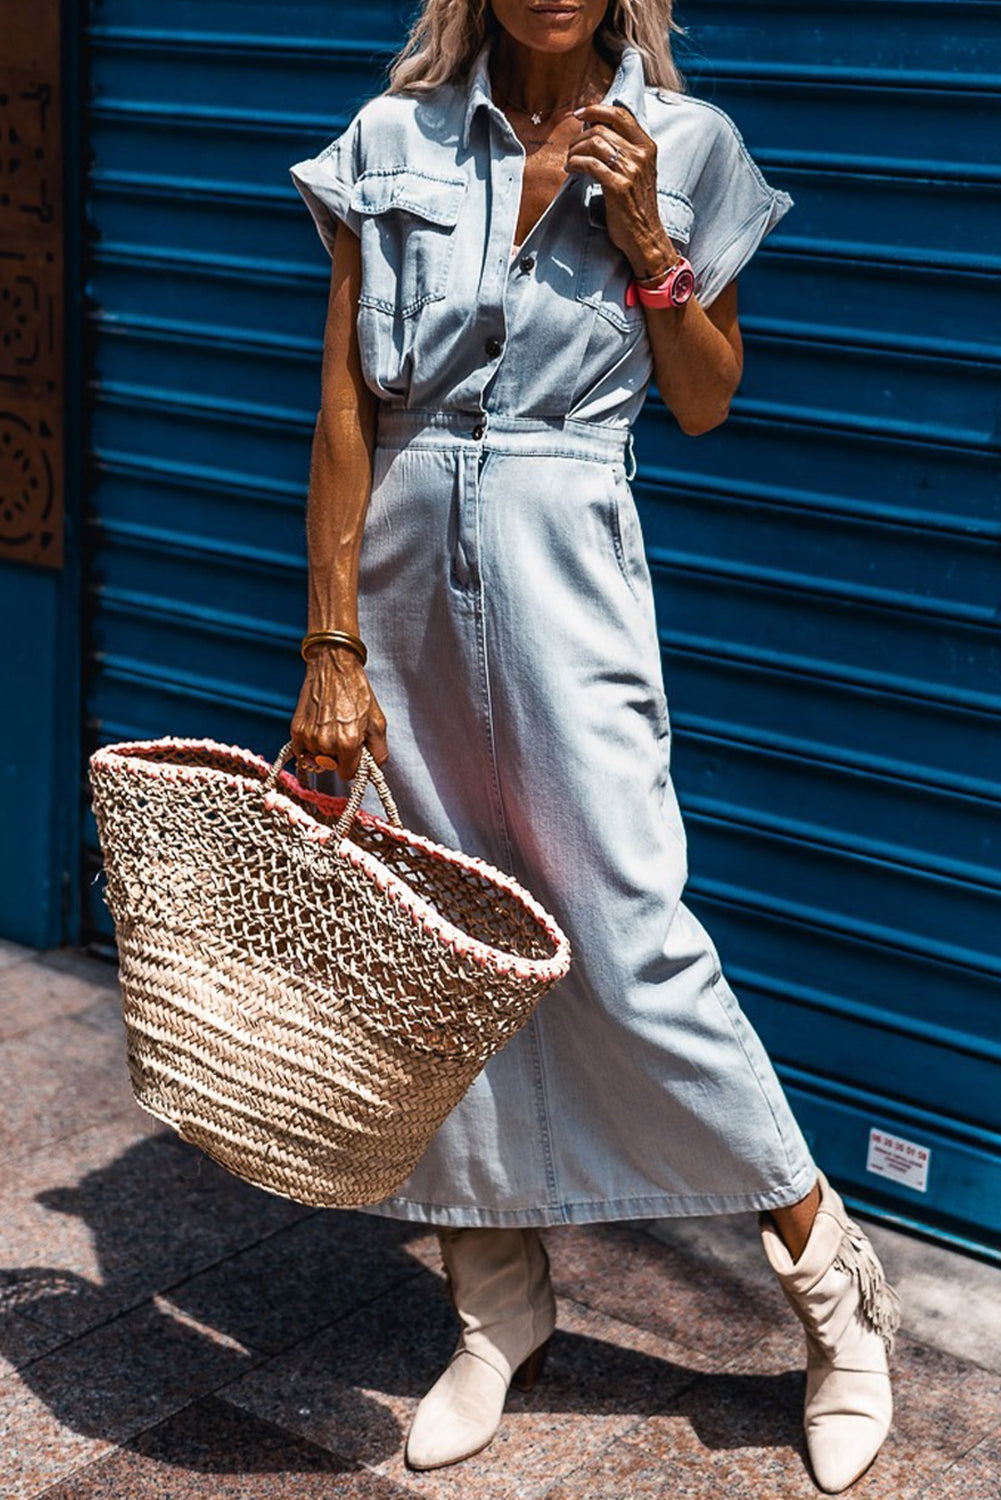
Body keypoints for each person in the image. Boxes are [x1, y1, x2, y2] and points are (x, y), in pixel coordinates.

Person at [286, 0, 902, 1489]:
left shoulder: (685, 145)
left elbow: (701, 400)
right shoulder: (392, 139)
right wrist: (327, 641)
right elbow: (346, 406)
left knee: (628, 936)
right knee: (440, 940)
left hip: (569, 547)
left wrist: (646, 239)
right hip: (406, 565)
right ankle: (497, 1308)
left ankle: (834, 1295)